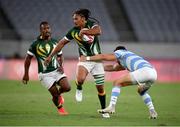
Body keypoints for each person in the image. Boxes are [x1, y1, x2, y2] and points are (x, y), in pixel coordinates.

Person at [44, 9, 110, 118]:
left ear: (83, 19)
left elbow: (98, 31)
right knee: (80, 79)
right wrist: (50, 56)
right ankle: (79, 87)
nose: (74, 21)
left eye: (76, 18)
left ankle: (104, 110)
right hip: (84, 60)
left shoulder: (92, 25)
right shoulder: (73, 31)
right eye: (73, 19)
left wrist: (84, 31)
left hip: (97, 59)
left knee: (100, 88)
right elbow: (61, 43)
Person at [80, 45, 158, 119]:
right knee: (141, 91)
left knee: (117, 82)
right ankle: (152, 111)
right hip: (153, 74)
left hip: (144, 71)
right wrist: (96, 68)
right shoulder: (127, 58)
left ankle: (112, 106)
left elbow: (104, 57)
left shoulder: (120, 52)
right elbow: (113, 68)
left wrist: (87, 58)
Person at [22, 21, 71, 115]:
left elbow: (60, 56)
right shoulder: (35, 44)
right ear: (40, 31)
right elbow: (28, 59)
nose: (47, 30)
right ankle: (60, 108)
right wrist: (26, 74)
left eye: (48, 28)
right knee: (55, 94)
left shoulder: (55, 42)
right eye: (44, 29)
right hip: (44, 74)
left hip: (56, 70)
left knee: (67, 87)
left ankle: (59, 94)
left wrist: (61, 66)